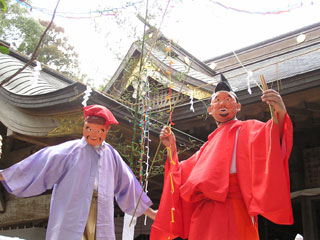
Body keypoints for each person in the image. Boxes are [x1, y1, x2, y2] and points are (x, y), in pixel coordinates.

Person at [150, 75, 293, 240]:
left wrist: (280, 112)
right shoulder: (206, 148)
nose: (222, 103)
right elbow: (179, 175)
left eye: (228, 99)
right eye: (217, 100)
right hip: (203, 215)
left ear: (238, 106)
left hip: (234, 207)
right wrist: (171, 149)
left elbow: (273, 138)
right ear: (210, 109)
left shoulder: (249, 129)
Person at [0, 104, 156, 240]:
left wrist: (150, 213)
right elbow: (40, 163)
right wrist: (4, 175)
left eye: (99, 130)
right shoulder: (70, 151)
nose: (93, 134)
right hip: (71, 209)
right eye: (89, 129)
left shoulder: (111, 155)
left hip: (101, 209)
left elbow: (127, 184)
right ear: (84, 127)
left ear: (106, 130)